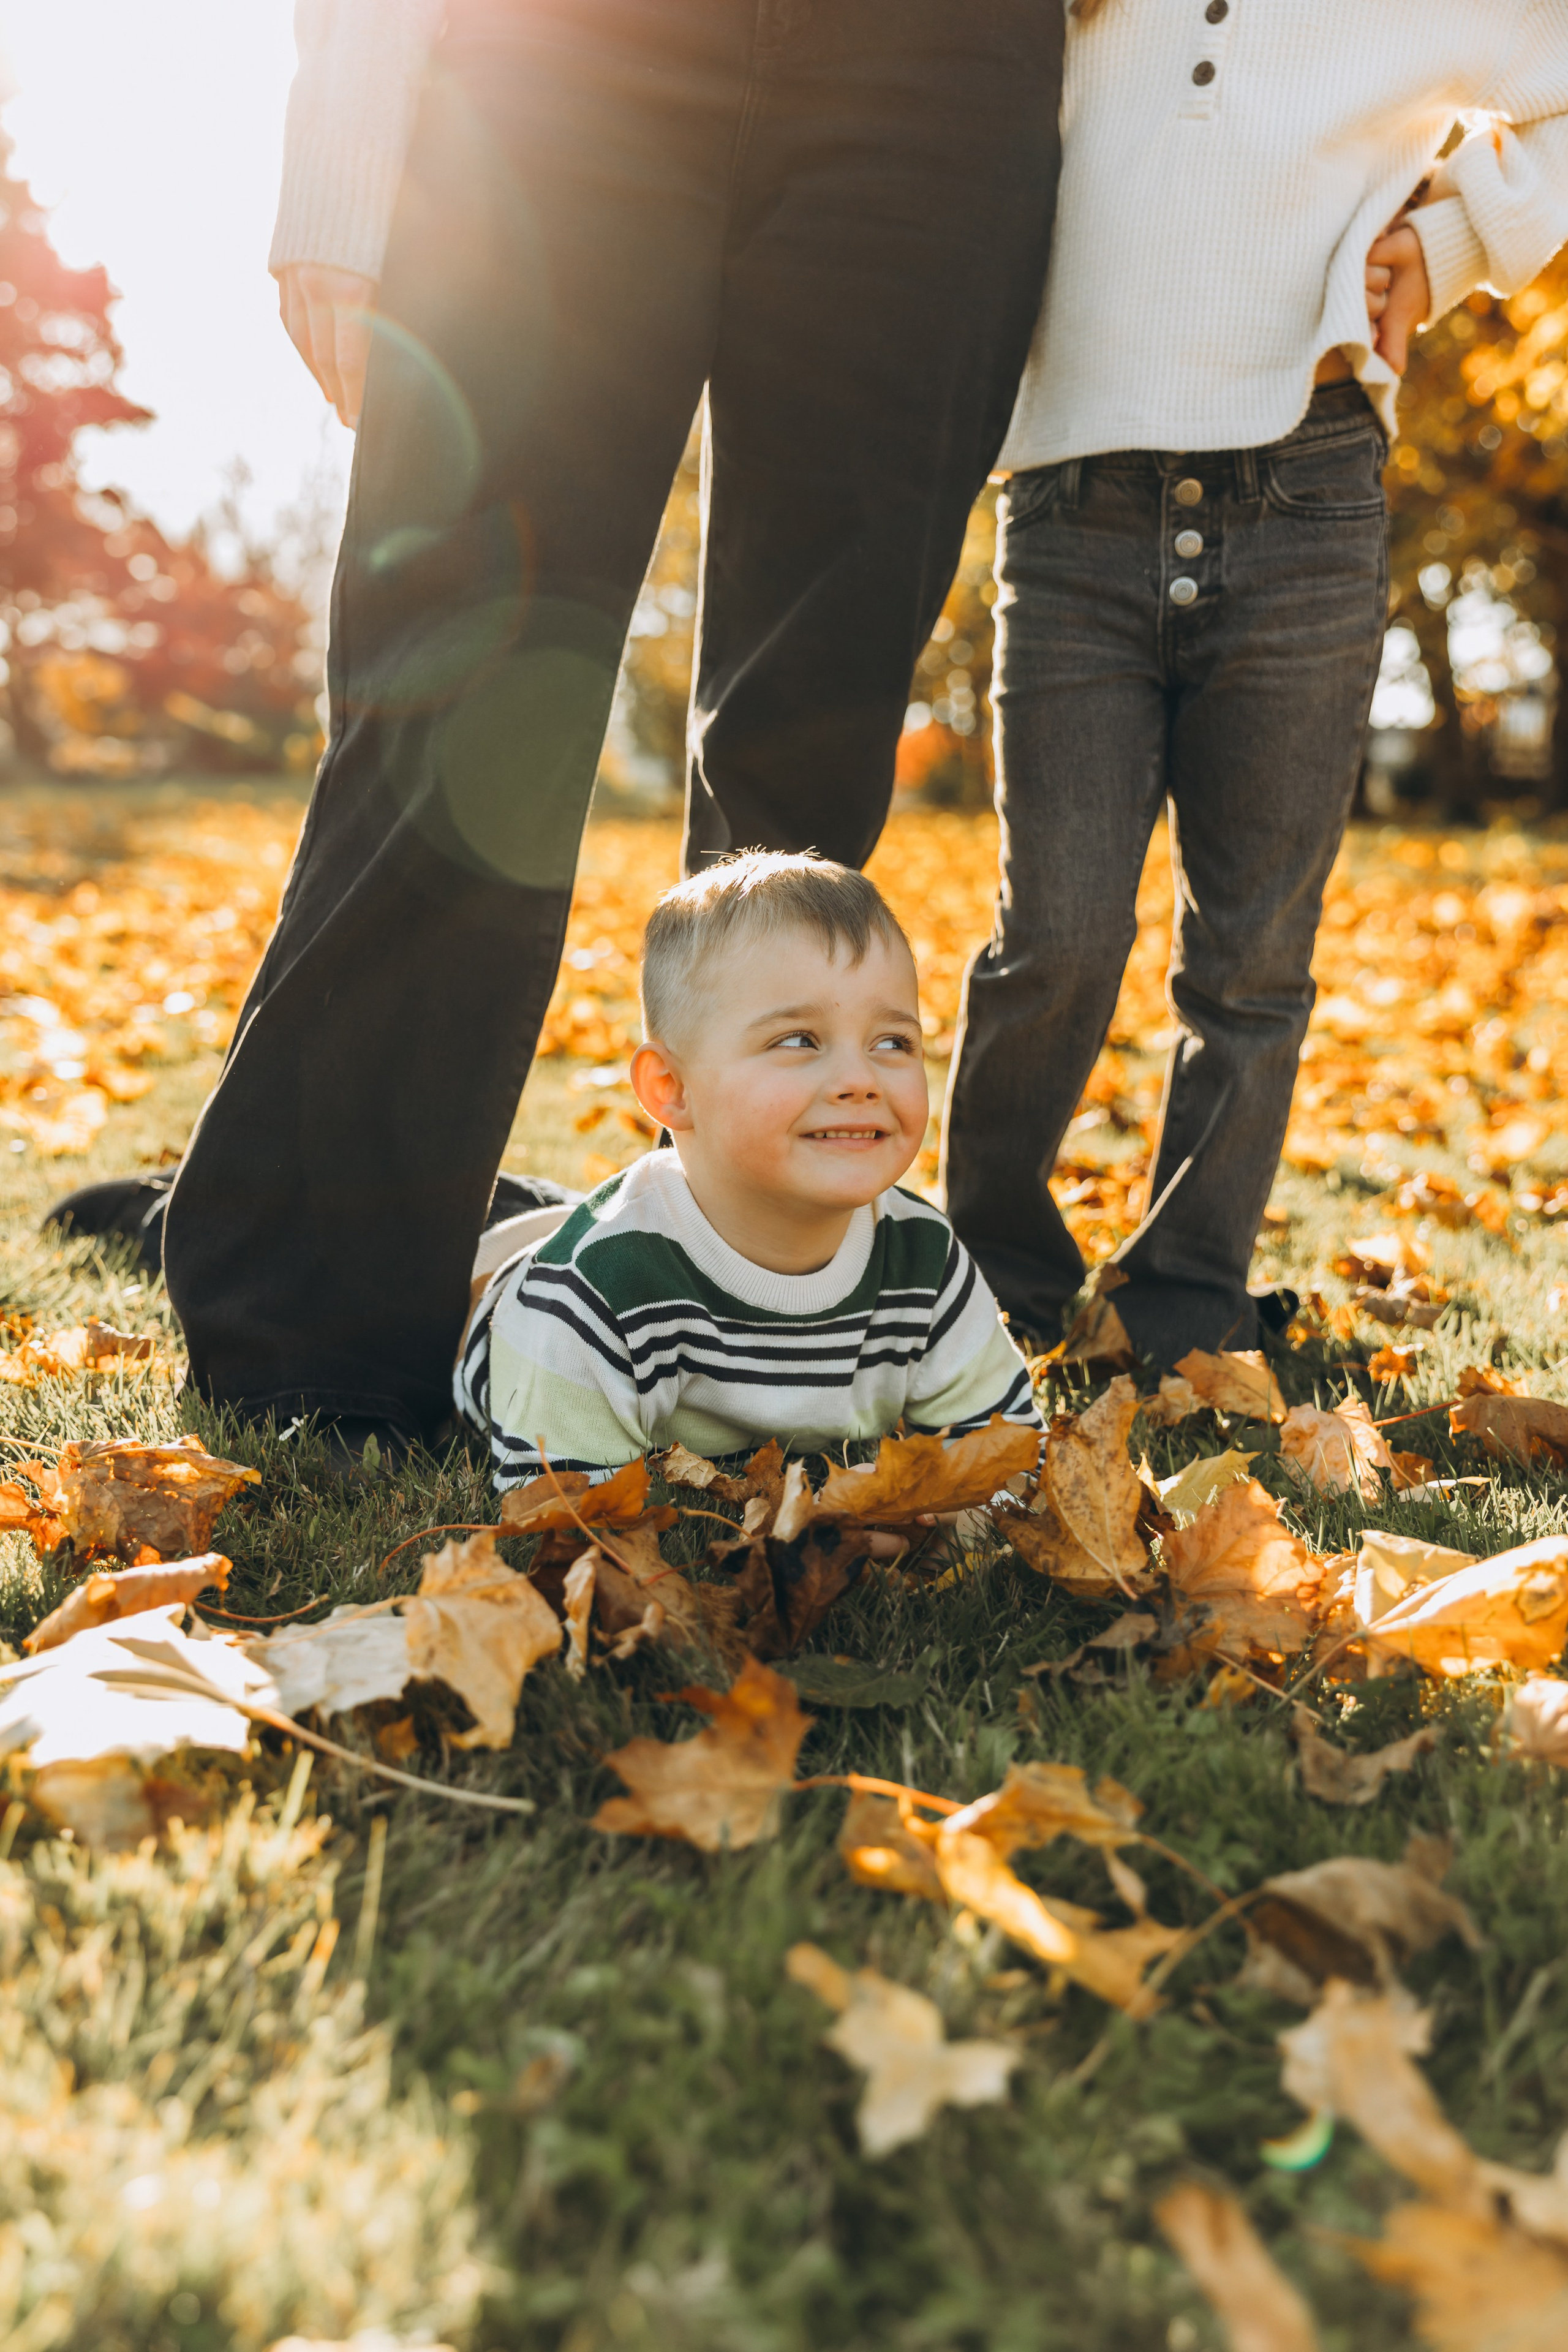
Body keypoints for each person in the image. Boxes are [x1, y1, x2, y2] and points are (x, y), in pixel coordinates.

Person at [50, 0, 1064, 1461]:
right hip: (557, 53)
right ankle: (309, 1303)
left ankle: (740, 1305)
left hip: (939, 74)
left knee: (808, 753)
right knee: (455, 694)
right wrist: (341, 149)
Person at [940, 0, 1568, 1366]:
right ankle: (988, 1276)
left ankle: (1183, 1301)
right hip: (1069, 508)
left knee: (1249, 959)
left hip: (1305, 485)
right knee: (1052, 931)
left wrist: (1453, 238)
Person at [457, 853, 1039, 1487]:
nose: (858, 1079)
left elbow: (1009, 1460)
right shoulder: (591, 1295)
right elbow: (567, 1515)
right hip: (480, 1272)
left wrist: (927, 1524)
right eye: (798, 1040)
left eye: (892, 1042)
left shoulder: (924, 1261)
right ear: (672, 1088)